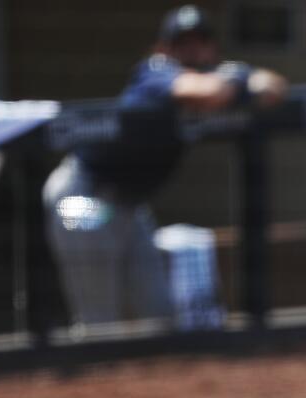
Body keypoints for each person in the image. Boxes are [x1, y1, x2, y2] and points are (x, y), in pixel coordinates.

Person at [43, 5, 287, 331]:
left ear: (212, 47)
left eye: (200, 41)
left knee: (160, 314)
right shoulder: (154, 72)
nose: (192, 50)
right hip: (82, 196)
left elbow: (275, 86)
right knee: (99, 321)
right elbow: (208, 92)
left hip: (129, 205)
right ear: (163, 48)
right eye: (182, 42)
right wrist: (240, 77)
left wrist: (238, 77)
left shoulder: (216, 76)